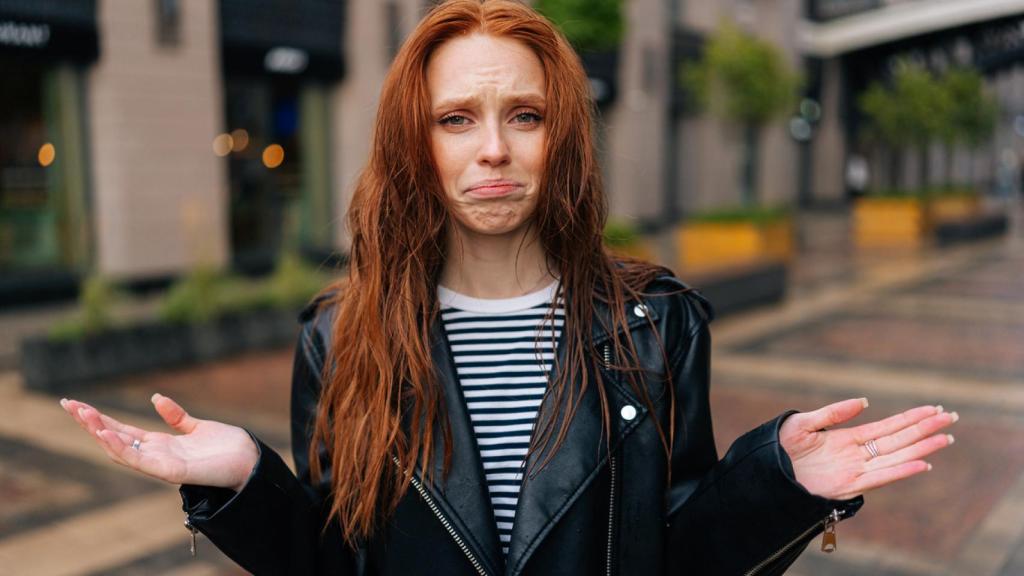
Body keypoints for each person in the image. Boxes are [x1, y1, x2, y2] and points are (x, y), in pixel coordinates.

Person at [59, 2, 957, 574]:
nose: (494, 148)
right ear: (417, 145)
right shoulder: (338, 339)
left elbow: (672, 552)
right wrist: (248, 483)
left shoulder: (656, 325)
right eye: (457, 120)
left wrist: (776, 486)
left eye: (524, 115)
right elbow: (337, 566)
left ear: (559, 138)